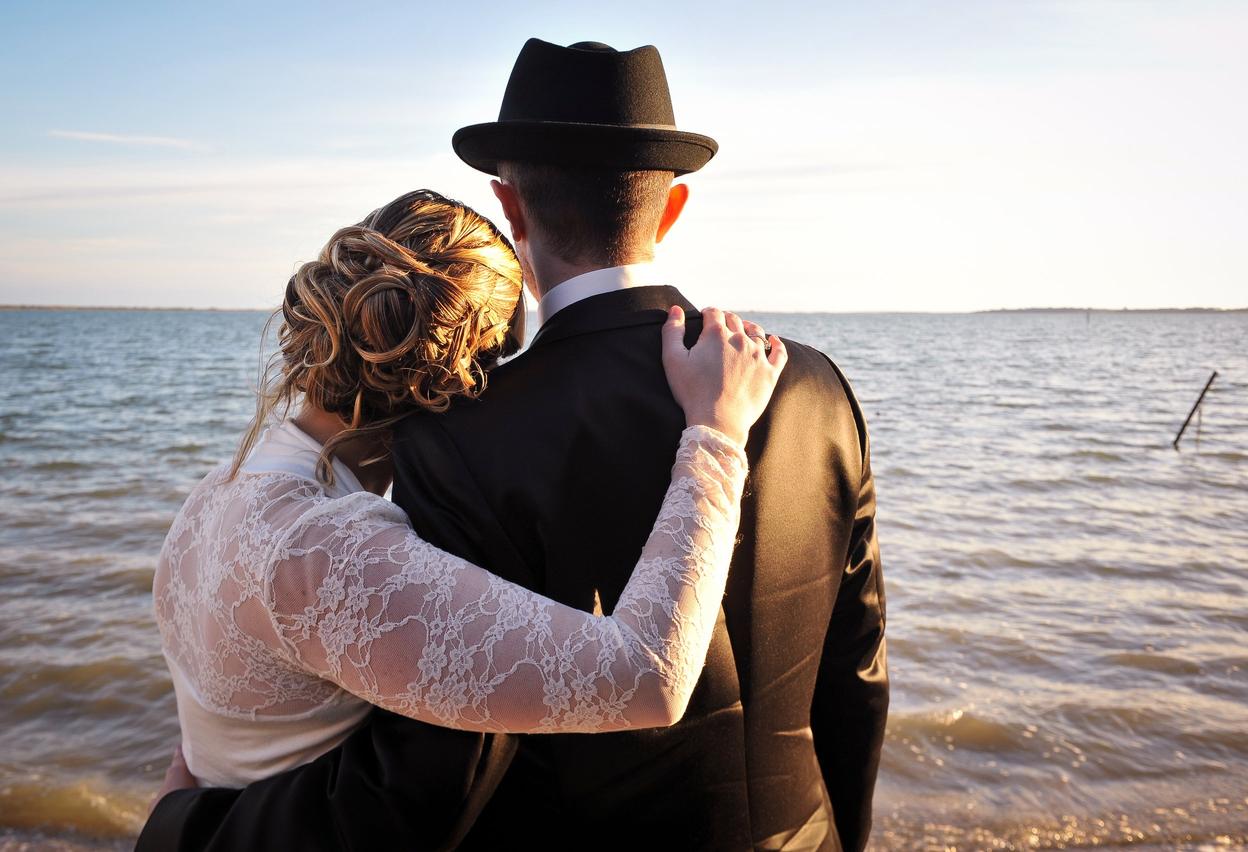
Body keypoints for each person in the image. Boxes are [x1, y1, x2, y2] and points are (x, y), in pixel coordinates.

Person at [141, 38, 887, 852]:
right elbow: (857, 675)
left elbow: (431, 779)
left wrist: (186, 824)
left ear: (513, 207)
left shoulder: (457, 440)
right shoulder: (812, 385)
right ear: (671, 208)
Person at [138, 186, 784, 834]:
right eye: (504, 370)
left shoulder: (217, 492)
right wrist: (716, 434)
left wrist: (181, 826)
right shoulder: (329, 549)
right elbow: (649, 677)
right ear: (464, 382)